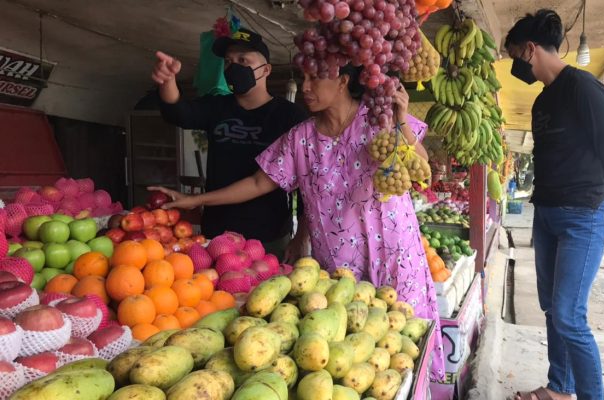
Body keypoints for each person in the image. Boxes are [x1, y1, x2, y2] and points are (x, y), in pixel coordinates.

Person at [150, 65, 446, 381]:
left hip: (394, 256)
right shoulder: (300, 138)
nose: (305, 86)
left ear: (343, 80)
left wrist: (400, 118)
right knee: (350, 367)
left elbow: (421, 165)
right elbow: (256, 183)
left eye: (315, 77)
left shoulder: (379, 119)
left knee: (404, 356)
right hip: (338, 271)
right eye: (303, 77)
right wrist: (193, 200)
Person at [505, 9, 604, 400]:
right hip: (548, 215)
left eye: (513, 56)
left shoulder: (584, 88)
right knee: (553, 310)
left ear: (530, 49)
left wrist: (599, 197)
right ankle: (560, 388)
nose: (514, 66)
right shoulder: (542, 102)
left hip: (583, 218)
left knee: (570, 317)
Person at [150, 27, 308, 259]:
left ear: (266, 70)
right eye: (228, 61)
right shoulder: (217, 107)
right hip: (216, 234)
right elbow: (178, 113)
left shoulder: (290, 117)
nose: (233, 67)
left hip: (268, 237)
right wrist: (167, 81)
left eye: (243, 60)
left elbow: (305, 184)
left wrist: (301, 237)